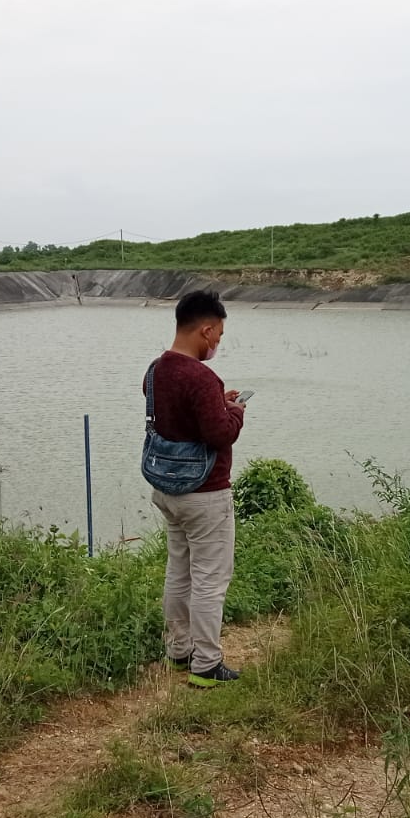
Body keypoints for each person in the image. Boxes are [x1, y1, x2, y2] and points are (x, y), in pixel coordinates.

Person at [144, 290, 246, 687]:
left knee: (179, 571)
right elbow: (220, 435)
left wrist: (215, 402)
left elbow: (176, 415)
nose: (217, 342)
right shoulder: (202, 377)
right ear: (205, 330)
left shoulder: (155, 370)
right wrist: (233, 412)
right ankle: (206, 664)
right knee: (210, 580)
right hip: (205, 494)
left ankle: (178, 651)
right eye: (218, 334)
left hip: (168, 489)